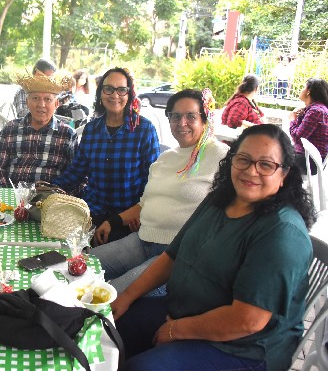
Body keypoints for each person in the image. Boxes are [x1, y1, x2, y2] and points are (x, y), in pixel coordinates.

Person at [112, 124, 315, 371]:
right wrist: (126, 297)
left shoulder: (282, 232)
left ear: (284, 175)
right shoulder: (219, 200)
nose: (251, 171)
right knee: (111, 327)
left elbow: (248, 321)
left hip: (244, 347)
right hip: (184, 308)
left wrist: (177, 330)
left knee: (142, 368)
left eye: (266, 165)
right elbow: (172, 256)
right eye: (243, 159)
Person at [91, 89, 229, 293]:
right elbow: (145, 202)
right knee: (79, 265)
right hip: (142, 240)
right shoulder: (165, 158)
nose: (182, 123)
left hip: (176, 255)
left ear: (204, 119)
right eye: (176, 116)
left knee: (110, 293)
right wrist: (113, 222)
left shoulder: (221, 155)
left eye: (191, 116)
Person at [53, 67, 160, 239]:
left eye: (121, 90)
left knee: (97, 249)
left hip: (127, 217)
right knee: (54, 235)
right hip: (92, 211)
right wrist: (48, 190)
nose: (114, 95)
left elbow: (153, 181)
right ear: (101, 93)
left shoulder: (144, 129)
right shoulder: (91, 129)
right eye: (108, 89)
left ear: (129, 94)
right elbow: (76, 172)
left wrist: (140, 213)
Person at [0, 74, 77, 187]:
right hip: (12, 194)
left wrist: (57, 193)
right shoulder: (10, 129)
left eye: (47, 99)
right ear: (27, 101)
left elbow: (75, 173)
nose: (41, 104)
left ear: (56, 104)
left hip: (52, 195)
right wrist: (6, 194)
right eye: (35, 98)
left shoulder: (67, 134)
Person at [289, 78, 328, 175]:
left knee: (272, 158)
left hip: (309, 161)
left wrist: (292, 119)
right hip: (307, 157)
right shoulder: (315, 109)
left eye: (303, 87)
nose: (301, 90)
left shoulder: (316, 111)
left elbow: (298, 137)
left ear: (308, 92)